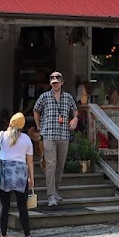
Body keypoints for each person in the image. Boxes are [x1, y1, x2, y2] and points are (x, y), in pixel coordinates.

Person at [0, 113, 39, 237]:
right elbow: (29, 161)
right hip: (19, 173)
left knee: (4, 205)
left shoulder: (1, 135)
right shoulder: (26, 139)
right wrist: (31, 177)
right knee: (22, 206)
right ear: (22, 126)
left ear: (10, 123)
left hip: (5, 172)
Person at [32, 71, 79, 207]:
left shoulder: (68, 97)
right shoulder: (44, 96)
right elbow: (36, 110)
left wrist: (75, 118)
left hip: (64, 134)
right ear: (50, 83)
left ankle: (56, 192)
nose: (55, 83)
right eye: (52, 81)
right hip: (49, 134)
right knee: (51, 164)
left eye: (57, 81)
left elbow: (75, 110)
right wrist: (39, 126)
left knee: (60, 165)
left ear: (62, 82)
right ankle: (50, 195)